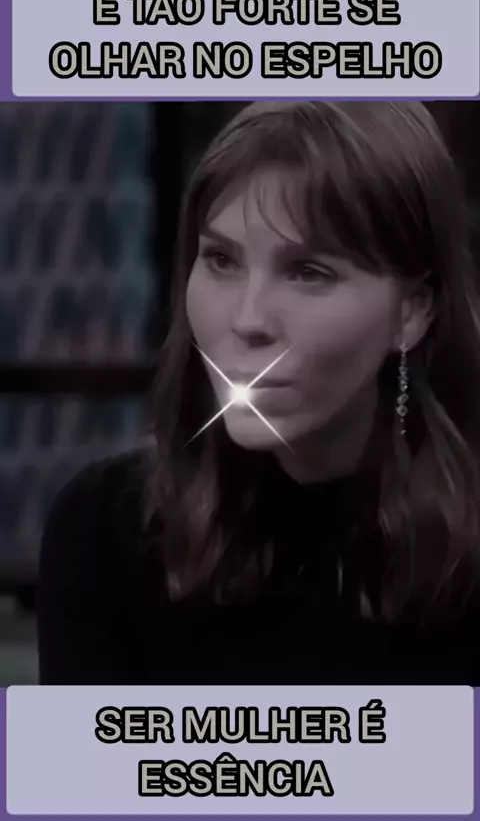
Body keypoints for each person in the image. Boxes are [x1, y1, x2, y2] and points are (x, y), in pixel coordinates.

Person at [37, 101, 480, 685]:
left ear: (412, 311)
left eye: (308, 272)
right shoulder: (104, 530)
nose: (247, 320)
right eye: (221, 260)